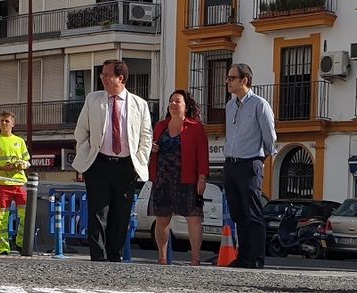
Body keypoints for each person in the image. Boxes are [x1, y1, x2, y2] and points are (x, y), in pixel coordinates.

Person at [70, 59, 153, 263]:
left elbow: (146, 137)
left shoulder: (139, 104)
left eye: (107, 75)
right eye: (102, 75)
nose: (103, 79)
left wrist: (138, 162)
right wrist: (85, 155)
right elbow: (81, 131)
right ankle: (98, 256)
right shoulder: (93, 100)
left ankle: (115, 254)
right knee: (98, 211)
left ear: (120, 78)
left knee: (121, 212)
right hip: (98, 162)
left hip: (126, 165)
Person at [221, 62, 276, 269]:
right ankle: (243, 256)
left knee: (253, 212)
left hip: (250, 162)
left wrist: (261, 160)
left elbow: (269, 136)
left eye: (232, 78)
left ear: (244, 80)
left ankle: (256, 258)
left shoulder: (260, 104)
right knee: (238, 213)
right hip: (231, 163)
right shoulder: (230, 106)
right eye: (228, 77)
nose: (228, 81)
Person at [148, 90, 208, 266]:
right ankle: (162, 258)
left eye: (178, 101)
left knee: (194, 219)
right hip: (162, 179)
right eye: (171, 101)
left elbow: (202, 154)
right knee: (162, 220)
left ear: (186, 107)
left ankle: (195, 259)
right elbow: (150, 148)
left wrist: (202, 178)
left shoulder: (195, 127)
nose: (173, 104)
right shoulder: (160, 126)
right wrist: (152, 148)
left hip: (187, 179)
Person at [0, 111, 31, 255]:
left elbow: (27, 161)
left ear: (13, 123)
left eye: (7, 121)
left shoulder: (19, 141)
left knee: (26, 215)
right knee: (1, 217)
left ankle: (20, 242)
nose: (4, 123)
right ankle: (3, 247)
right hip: (2, 184)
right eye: (2, 121)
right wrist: (1, 168)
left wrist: (22, 165)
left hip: (19, 183)